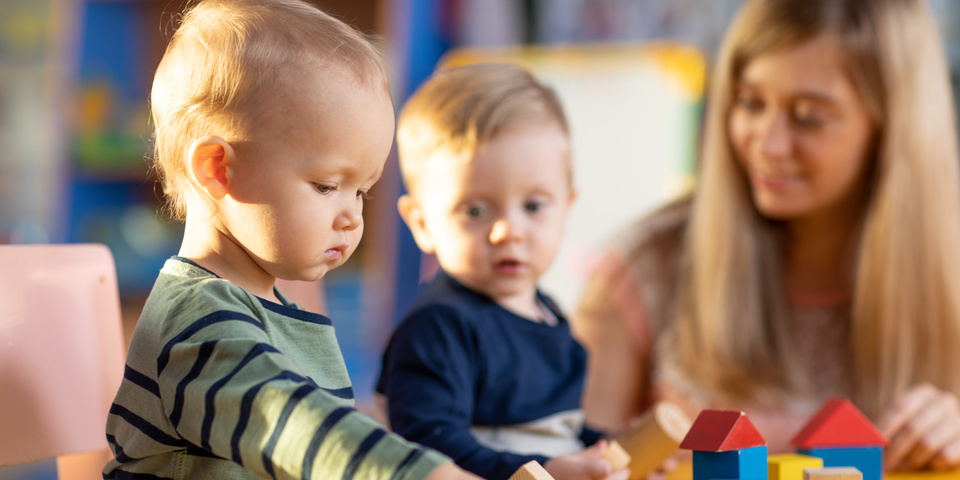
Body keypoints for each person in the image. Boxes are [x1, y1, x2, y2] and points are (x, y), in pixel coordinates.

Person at [573, 0, 960, 471]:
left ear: (892, 130)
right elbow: (559, 460)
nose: (768, 144)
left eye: (808, 117)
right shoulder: (641, 274)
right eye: (750, 103)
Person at [102, 1, 483, 478]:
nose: (351, 216)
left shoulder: (272, 307)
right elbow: (292, 422)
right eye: (327, 186)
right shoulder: (197, 323)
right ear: (218, 169)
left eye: (361, 190)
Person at [375, 62, 629, 480]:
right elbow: (430, 447)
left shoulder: (550, 315)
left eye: (533, 206)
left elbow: (554, 430)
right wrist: (548, 469)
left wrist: (606, 447)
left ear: (566, 208)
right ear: (421, 223)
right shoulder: (438, 328)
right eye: (475, 210)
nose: (508, 231)